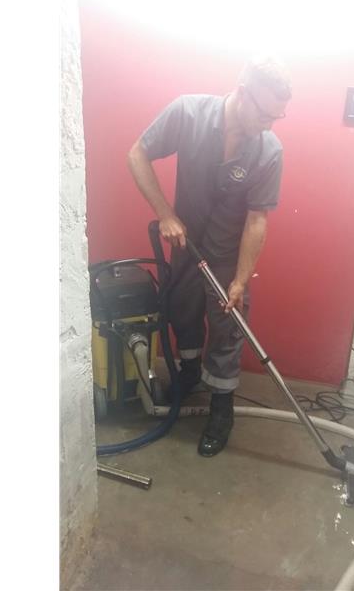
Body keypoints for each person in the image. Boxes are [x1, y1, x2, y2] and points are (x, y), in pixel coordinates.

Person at [127, 55, 291, 457]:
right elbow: (137, 153)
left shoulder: (268, 150)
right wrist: (165, 214)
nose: (270, 125)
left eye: (277, 117)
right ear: (242, 93)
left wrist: (240, 279)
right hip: (185, 243)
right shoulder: (188, 113)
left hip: (227, 255)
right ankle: (187, 375)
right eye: (265, 114)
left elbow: (257, 220)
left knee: (227, 328)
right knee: (181, 310)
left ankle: (221, 407)